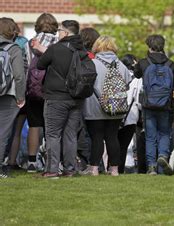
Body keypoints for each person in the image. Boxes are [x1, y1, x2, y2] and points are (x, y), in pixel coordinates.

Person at [35, 20, 88, 178]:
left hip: (56, 97)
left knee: (53, 134)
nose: (58, 33)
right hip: (77, 98)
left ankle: (51, 170)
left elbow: (40, 65)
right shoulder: (82, 50)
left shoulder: (56, 48)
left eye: (60, 30)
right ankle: (69, 169)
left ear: (65, 33)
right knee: (70, 135)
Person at [81, 36, 132, 176]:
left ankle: (94, 168)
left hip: (95, 107)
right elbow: (127, 84)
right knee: (112, 136)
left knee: (96, 137)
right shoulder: (121, 65)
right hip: (116, 107)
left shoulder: (92, 63)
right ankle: (114, 169)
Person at [134, 34, 174, 175]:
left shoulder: (144, 62)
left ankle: (151, 167)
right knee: (165, 133)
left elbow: (137, 75)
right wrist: (173, 105)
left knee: (150, 136)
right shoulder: (170, 64)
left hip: (148, 105)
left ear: (149, 46)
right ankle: (163, 156)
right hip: (165, 105)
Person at [25, 13, 59, 173]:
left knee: (34, 124)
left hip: (32, 89)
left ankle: (31, 161)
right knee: (51, 126)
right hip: (50, 88)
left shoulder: (29, 43)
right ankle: (50, 160)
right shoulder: (57, 42)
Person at [0, 17, 27, 178]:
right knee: (2, 132)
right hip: (8, 95)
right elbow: (19, 76)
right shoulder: (14, 48)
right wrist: (20, 97)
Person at [118, 54, 140, 174]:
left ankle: (112, 168)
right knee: (124, 147)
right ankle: (120, 170)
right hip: (130, 117)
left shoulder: (117, 76)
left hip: (115, 114)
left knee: (114, 145)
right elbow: (138, 100)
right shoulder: (137, 80)